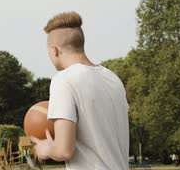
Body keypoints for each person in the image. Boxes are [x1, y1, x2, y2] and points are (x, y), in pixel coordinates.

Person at [30, 12, 129, 170]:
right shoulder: (113, 79)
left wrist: (46, 148)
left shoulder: (63, 80)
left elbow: (64, 151)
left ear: (54, 50)